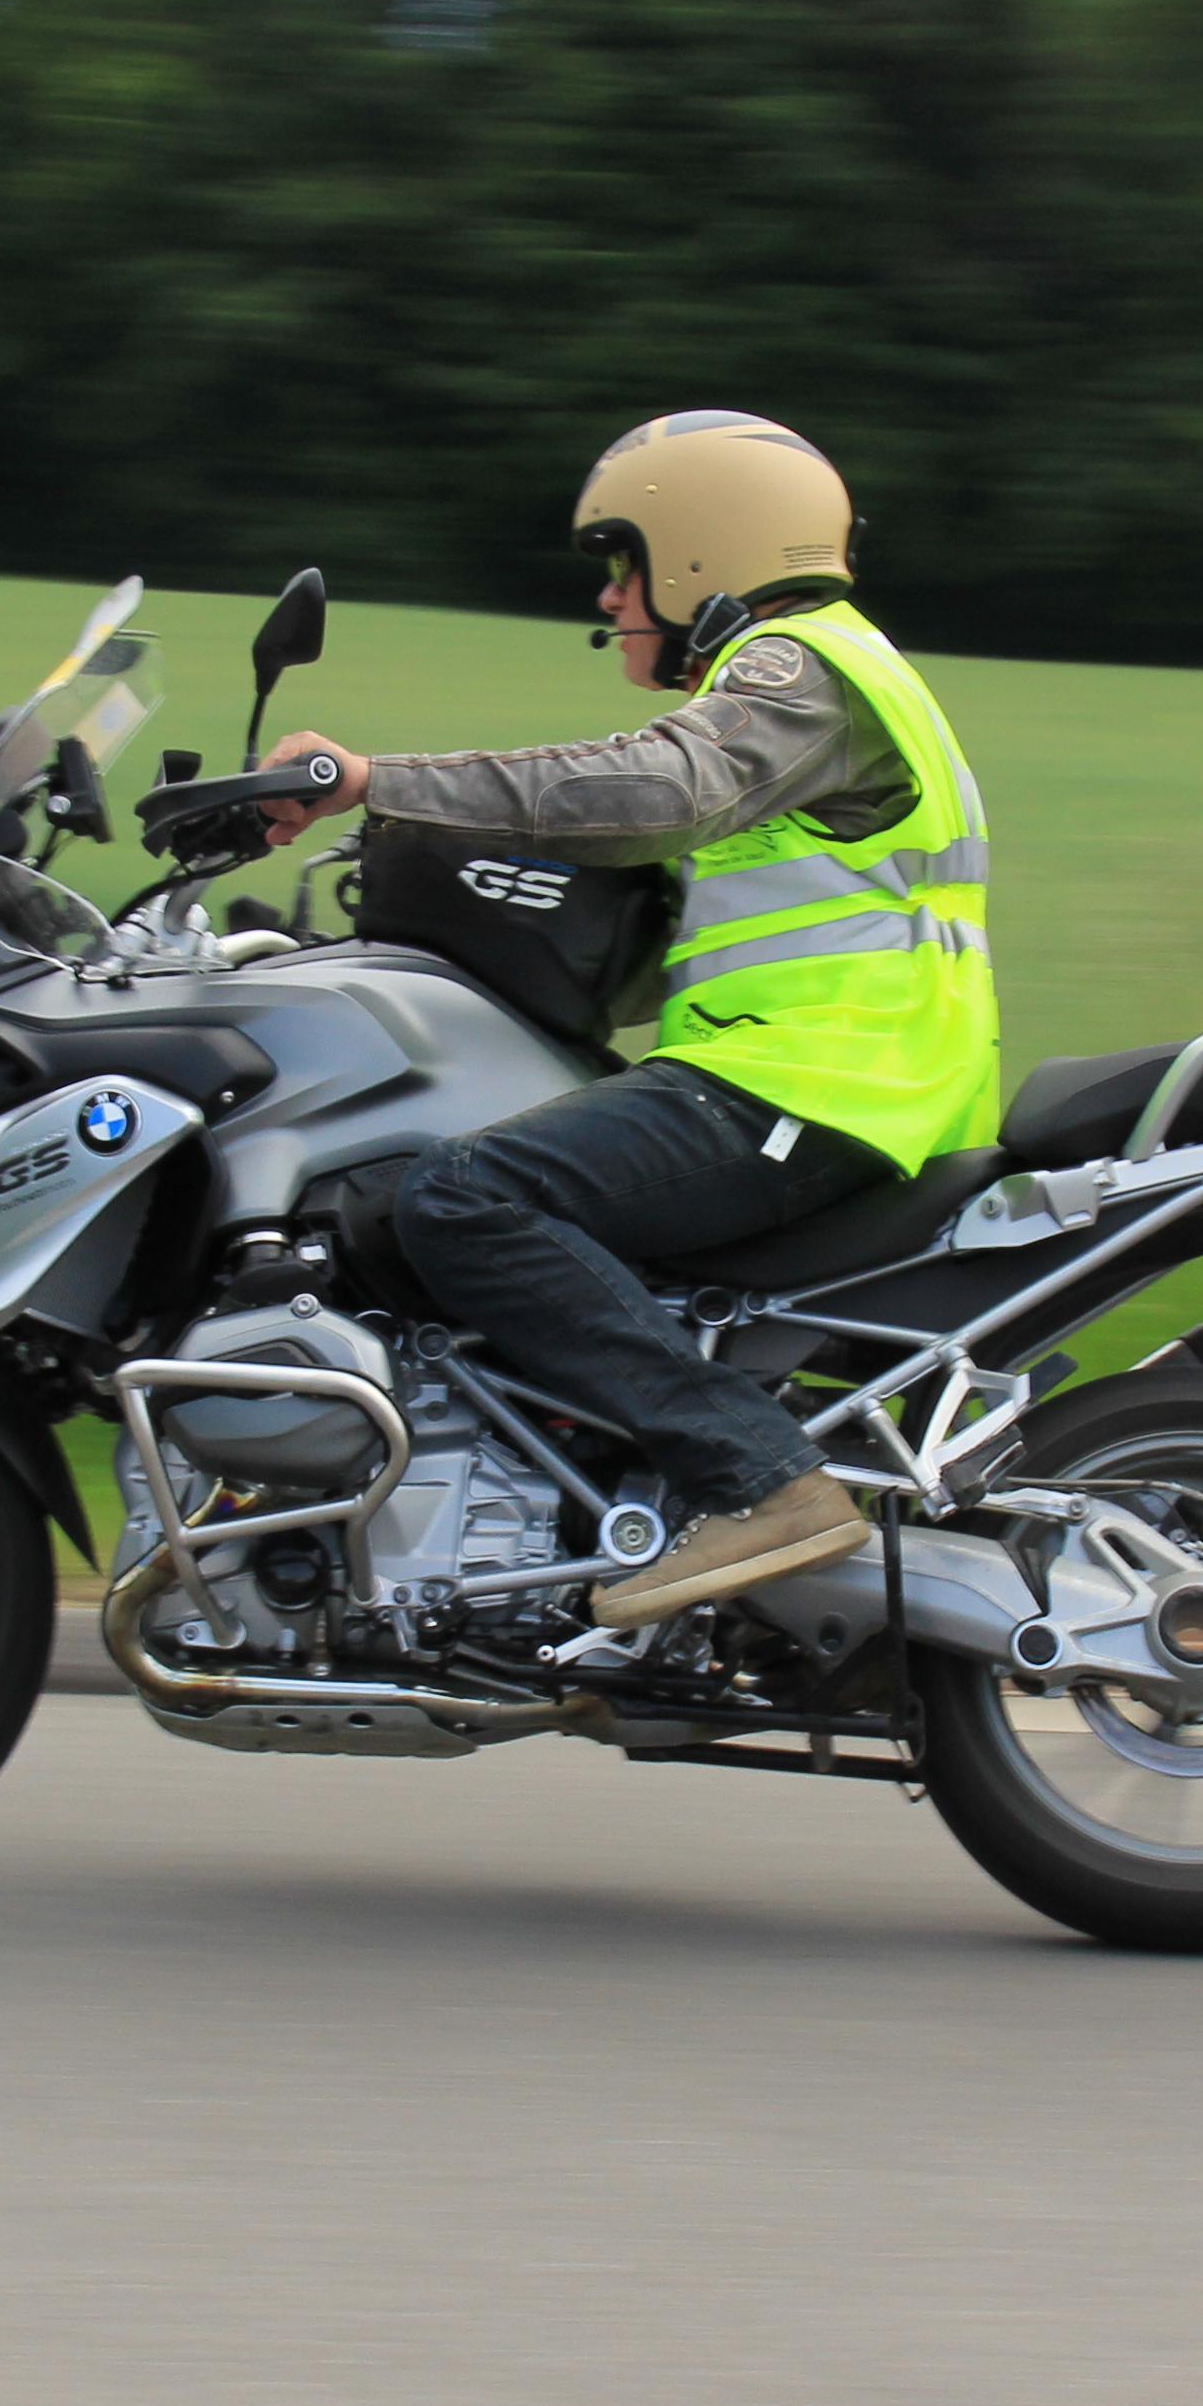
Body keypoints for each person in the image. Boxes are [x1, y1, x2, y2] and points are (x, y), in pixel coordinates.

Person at [251, 411, 998, 1628]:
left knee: (464, 1198)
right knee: (417, 1196)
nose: (610, 596)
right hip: (824, 1076)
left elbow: (653, 790)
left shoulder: (798, 670)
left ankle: (761, 1481)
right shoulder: (827, 680)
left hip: (817, 1080)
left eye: (624, 560)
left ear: (704, 549)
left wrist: (376, 783)